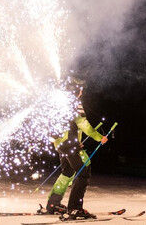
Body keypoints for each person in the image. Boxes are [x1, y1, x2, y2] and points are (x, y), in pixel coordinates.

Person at [45, 76, 108, 219]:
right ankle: (74, 208)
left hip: (61, 145)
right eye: (80, 90)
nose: (81, 93)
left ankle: (53, 204)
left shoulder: (57, 104)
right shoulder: (75, 104)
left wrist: (63, 142)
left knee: (67, 172)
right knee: (84, 172)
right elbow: (85, 126)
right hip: (70, 145)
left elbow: (56, 129)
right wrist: (100, 138)